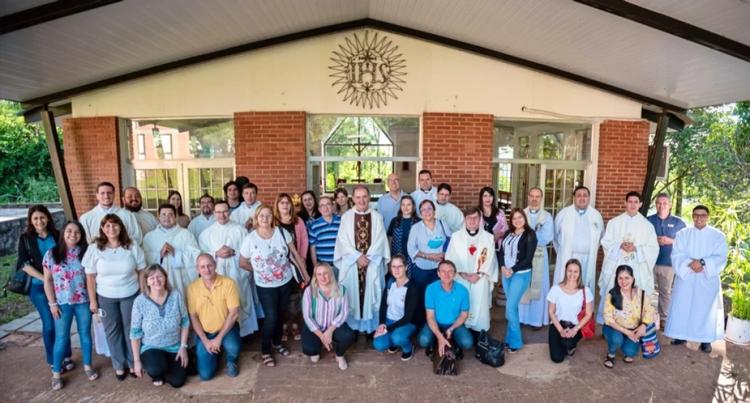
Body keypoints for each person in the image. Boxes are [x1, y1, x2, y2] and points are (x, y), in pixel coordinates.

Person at [239, 205, 308, 367]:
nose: (265, 218)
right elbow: (242, 262)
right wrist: (258, 271)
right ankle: (265, 350)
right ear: (256, 218)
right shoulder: (250, 238)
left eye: (268, 215)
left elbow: (295, 255)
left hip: (285, 281)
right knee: (271, 317)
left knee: (281, 313)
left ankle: (277, 343)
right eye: (261, 216)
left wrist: (305, 275)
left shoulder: (282, 233)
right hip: (265, 286)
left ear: (273, 217)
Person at [83, 213, 146, 380]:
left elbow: (141, 271)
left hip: (130, 294)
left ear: (121, 227)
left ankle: (133, 362)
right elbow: (90, 277)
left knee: (131, 330)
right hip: (105, 296)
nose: (112, 228)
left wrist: (142, 292)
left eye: (115, 225)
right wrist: (93, 301)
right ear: (103, 229)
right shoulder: (94, 248)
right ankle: (118, 365)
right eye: (108, 226)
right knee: (112, 331)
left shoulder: (131, 246)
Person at [665, 205, 728, 354]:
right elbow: (676, 254)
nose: (699, 218)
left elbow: (721, 257)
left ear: (708, 217)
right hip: (686, 277)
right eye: (696, 215)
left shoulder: (718, 236)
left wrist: (702, 263)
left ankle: (705, 340)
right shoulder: (682, 234)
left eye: (703, 215)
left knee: (705, 310)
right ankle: (680, 336)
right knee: (683, 307)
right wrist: (691, 264)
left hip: (707, 279)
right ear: (692, 216)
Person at [42, 221, 98, 390]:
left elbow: (92, 278)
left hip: (83, 302)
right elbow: (47, 280)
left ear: (81, 235)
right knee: (61, 338)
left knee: (85, 335)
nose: (73, 234)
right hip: (62, 303)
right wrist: (52, 304)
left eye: (77, 232)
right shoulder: (52, 254)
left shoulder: (86, 253)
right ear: (63, 233)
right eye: (69, 231)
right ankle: (56, 373)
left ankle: (88, 365)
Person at [18, 205, 72, 374]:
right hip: (38, 287)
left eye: (42, 217)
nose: (39, 221)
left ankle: (66, 355)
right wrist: (46, 279)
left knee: (63, 321)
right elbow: (24, 264)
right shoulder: (26, 238)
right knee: (49, 323)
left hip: (61, 287)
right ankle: (52, 359)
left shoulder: (57, 235)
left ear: (48, 218)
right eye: (35, 218)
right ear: (31, 221)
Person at [334, 185, 391, 334]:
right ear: (352, 199)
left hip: (372, 264)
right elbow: (342, 241)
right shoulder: (346, 217)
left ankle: (369, 328)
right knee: (352, 294)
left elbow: (380, 240)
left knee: (371, 293)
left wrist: (368, 258)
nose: (361, 200)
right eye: (358, 197)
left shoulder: (377, 217)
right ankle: (352, 329)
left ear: (369, 197)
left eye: (364, 196)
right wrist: (357, 257)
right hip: (352, 265)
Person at [199, 200, 260, 337]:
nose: (222, 215)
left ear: (230, 212)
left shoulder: (241, 230)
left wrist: (234, 252)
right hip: (217, 272)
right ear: (214, 213)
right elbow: (201, 254)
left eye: (225, 211)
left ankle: (243, 333)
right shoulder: (206, 233)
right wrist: (215, 253)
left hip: (237, 274)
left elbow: (250, 252)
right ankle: (222, 332)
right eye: (219, 212)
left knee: (239, 298)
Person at [598, 192, 659, 324]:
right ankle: (609, 323)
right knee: (614, 288)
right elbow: (606, 242)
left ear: (640, 204)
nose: (632, 204)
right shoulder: (614, 223)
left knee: (637, 290)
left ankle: (635, 322)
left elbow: (653, 248)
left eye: (635, 202)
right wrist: (619, 245)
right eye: (630, 201)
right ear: (625, 203)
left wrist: (636, 248)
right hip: (617, 262)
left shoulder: (647, 226)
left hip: (637, 264)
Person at [130, 265, 190, 387]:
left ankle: (166, 369)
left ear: (165, 278)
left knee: (178, 382)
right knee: (156, 369)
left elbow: (185, 322)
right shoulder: (140, 301)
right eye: (151, 278)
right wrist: (136, 361)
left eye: (159, 276)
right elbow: (135, 333)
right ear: (146, 281)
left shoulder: (176, 295)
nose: (156, 280)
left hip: (174, 346)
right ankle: (157, 372)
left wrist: (183, 347)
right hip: (152, 347)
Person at [188, 254, 241, 380]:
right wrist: (206, 341)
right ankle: (214, 353)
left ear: (215, 265)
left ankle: (231, 360)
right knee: (206, 375)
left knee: (233, 347)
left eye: (209, 265)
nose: (207, 270)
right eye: (202, 267)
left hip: (227, 329)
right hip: (205, 333)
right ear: (197, 269)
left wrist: (219, 338)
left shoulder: (228, 283)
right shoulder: (192, 288)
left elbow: (234, 313)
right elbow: (193, 317)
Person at [447, 207, 498, 334]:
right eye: (469, 218)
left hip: (480, 279)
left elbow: (492, 260)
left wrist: (479, 275)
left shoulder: (488, 238)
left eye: (476, 218)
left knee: (480, 310)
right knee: (460, 305)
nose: (472, 221)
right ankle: (461, 334)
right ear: (464, 219)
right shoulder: (455, 237)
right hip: (461, 278)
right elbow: (450, 259)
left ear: (480, 219)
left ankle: (479, 336)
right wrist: (464, 274)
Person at [301, 263, 355, 370]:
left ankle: (339, 355)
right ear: (315, 277)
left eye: (326, 273)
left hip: (334, 326)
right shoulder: (309, 291)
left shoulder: (341, 290)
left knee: (348, 336)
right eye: (319, 274)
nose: (323, 277)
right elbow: (307, 316)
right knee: (309, 350)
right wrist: (323, 337)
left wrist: (330, 331)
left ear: (331, 274)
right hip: (316, 327)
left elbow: (344, 312)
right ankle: (318, 346)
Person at [498, 208, 538, 352]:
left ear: (524, 218)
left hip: (520, 274)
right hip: (506, 273)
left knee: (509, 307)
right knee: (512, 307)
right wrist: (502, 266)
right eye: (514, 218)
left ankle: (515, 342)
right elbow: (501, 251)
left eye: (520, 217)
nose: (517, 220)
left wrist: (512, 269)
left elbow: (528, 258)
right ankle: (509, 339)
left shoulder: (530, 234)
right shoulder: (508, 233)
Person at [142, 204, 200, 301]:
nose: (167, 217)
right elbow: (144, 258)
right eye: (163, 214)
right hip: (158, 281)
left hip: (181, 279)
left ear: (176, 216)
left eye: (170, 214)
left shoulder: (186, 234)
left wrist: (175, 252)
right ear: (158, 217)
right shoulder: (150, 237)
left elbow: (195, 256)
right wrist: (159, 255)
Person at [407, 200, 450, 327]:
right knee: (422, 298)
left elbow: (451, 241)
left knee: (438, 297)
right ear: (420, 213)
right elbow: (411, 249)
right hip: (421, 269)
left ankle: (439, 325)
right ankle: (423, 326)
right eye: (423, 210)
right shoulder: (416, 228)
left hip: (439, 269)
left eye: (429, 208)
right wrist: (428, 256)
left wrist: (444, 254)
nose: (427, 212)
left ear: (434, 210)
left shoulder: (442, 224)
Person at [553, 186, 603, 293]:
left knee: (585, 288)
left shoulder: (596, 215)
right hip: (568, 257)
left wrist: (589, 249)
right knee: (567, 287)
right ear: (574, 198)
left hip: (588, 259)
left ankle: (584, 309)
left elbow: (600, 237)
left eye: (585, 195)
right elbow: (555, 236)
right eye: (579, 195)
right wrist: (563, 252)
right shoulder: (563, 214)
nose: (582, 198)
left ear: (589, 198)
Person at [602, 265, 655, 367]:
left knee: (630, 352)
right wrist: (627, 332)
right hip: (615, 328)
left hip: (634, 329)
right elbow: (608, 318)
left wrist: (643, 325)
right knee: (616, 340)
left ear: (633, 278)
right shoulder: (612, 294)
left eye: (627, 278)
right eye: (620, 278)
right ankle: (611, 353)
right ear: (616, 279)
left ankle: (627, 347)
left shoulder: (641, 294)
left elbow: (649, 310)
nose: (624, 281)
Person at [418, 260, 473, 357]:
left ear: (455, 274)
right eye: (443, 271)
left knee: (467, 343)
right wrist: (439, 337)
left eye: (450, 271)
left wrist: (451, 329)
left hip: (454, 324)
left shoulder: (463, 290)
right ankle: (436, 341)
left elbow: (464, 315)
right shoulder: (430, 289)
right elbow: (430, 317)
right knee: (423, 340)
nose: (446, 274)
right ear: (438, 273)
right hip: (435, 322)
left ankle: (453, 342)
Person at [274, 193, 310, 341]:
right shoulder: (273, 222)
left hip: (296, 263)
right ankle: (283, 326)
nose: (285, 205)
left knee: (295, 296)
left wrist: (301, 260)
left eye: (287, 203)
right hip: (279, 266)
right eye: (281, 203)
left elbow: (304, 241)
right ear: (277, 205)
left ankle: (294, 324)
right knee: (282, 296)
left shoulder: (298, 221)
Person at [646, 193, 686, 325]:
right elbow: (642, 238)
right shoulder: (648, 220)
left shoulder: (679, 223)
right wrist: (654, 240)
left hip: (668, 263)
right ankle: (648, 317)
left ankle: (663, 319)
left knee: (665, 292)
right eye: (659, 203)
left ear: (670, 205)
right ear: (656, 204)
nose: (661, 205)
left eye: (665, 203)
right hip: (649, 262)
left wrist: (671, 241)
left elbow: (685, 243)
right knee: (647, 290)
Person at [519, 187, 555, 328]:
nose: (534, 199)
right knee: (524, 284)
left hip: (540, 254)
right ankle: (522, 318)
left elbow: (547, 237)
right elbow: (518, 232)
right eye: (532, 196)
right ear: (528, 197)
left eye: (537, 196)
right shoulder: (522, 214)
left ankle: (536, 320)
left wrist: (530, 236)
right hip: (523, 254)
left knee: (539, 284)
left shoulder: (547, 216)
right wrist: (533, 235)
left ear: (541, 198)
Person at [546, 259, 593, 363]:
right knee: (557, 358)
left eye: (575, 271)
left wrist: (574, 330)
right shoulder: (556, 289)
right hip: (558, 324)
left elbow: (588, 314)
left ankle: (570, 346)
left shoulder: (585, 290)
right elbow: (551, 312)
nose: (572, 274)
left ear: (580, 273)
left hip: (575, 326)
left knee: (568, 343)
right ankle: (562, 343)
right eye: (570, 271)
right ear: (565, 271)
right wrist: (561, 330)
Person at [373, 255, 418, 361]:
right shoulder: (390, 282)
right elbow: (384, 305)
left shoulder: (412, 287)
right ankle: (392, 341)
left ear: (406, 267)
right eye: (393, 266)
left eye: (400, 266)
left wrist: (387, 329)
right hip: (389, 320)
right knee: (379, 344)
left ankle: (408, 348)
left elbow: (408, 317)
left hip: (406, 322)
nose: (396, 270)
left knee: (397, 338)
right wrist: (382, 323)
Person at [387, 195, 420, 274]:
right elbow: (390, 240)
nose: (406, 207)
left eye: (409, 205)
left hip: (414, 259)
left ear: (413, 206)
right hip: (397, 257)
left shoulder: (419, 222)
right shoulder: (395, 221)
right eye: (403, 205)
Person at [308, 196, 341, 272]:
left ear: (332, 206)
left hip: (340, 264)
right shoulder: (314, 225)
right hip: (323, 266)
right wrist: (315, 266)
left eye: (328, 204)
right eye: (322, 205)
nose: (325, 207)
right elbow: (313, 248)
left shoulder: (341, 220)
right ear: (319, 209)